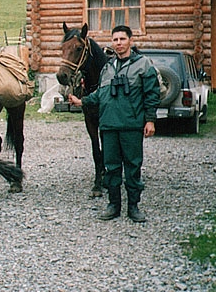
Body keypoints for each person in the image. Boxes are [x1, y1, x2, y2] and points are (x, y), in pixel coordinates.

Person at [68, 25, 161, 222]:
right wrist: (81, 101)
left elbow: (152, 94)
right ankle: (113, 205)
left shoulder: (143, 65)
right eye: (115, 40)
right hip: (109, 126)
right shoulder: (108, 67)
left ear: (130, 41)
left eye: (122, 39)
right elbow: (101, 93)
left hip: (131, 125)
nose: (118, 43)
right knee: (111, 167)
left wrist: (150, 120)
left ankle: (134, 207)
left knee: (133, 167)